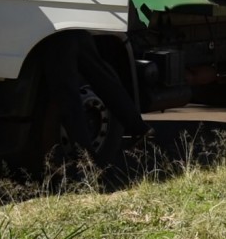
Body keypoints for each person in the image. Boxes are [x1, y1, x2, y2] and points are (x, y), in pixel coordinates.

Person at [42, 30, 154, 166]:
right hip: (77, 27)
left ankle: (86, 160)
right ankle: (138, 126)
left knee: (69, 99)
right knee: (101, 78)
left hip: (52, 32)